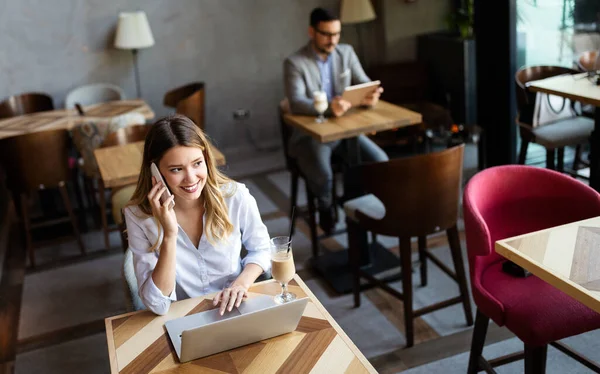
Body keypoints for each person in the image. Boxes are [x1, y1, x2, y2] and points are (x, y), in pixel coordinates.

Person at [123, 115, 271, 316]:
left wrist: (240, 284)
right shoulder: (138, 217)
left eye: (197, 163)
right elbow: (157, 305)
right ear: (155, 172)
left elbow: (262, 249)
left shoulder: (235, 196)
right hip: (183, 317)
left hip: (236, 307)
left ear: (207, 160)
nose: (191, 178)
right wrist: (169, 235)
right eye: (176, 169)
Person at [283, 7, 388, 234]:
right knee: (324, 174)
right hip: (312, 134)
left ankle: (355, 204)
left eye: (337, 34)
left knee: (380, 159)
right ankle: (326, 205)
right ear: (312, 31)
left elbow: (364, 81)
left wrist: (370, 94)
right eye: (327, 34)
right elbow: (297, 101)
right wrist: (330, 109)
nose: (333, 41)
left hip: (347, 131)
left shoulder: (346, 52)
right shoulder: (295, 62)